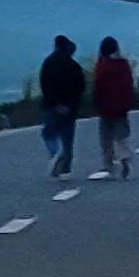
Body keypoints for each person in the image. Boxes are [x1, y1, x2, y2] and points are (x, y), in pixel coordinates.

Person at [36, 35, 88, 180]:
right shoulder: (74, 65)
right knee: (68, 137)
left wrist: (54, 104)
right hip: (70, 108)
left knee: (49, 134)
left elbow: (45, 86)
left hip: (51, 107)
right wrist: (71, 105)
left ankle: (56, 153)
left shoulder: (48, 63)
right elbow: (80, 88)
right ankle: (65, 168)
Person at [91, 36, 138, 180]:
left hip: (105, 107)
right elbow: (128, 84)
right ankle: (124, 158)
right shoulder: (123, 64)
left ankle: (109, 164)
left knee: (106, 138)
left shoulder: (102, 65)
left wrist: (96, 104)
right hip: (121, 107)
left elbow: (98, 86)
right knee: (122, 136)